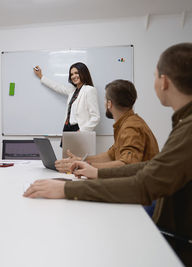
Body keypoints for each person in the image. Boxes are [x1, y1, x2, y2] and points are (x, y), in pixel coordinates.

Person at [24, 43, 192, 265]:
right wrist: (85, 164)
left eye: (154, 76)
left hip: (170, 229)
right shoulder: (157, 124)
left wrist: (68, 188)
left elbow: (139, 178)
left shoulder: (155, 127)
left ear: (164, 81)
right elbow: (131, 161)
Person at [56, 80, 159, 172]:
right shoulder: (126, 123)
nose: (105, 104)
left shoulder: (131, 127)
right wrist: (81, 160)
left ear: (109, 104)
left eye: (105, 100)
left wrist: (86, 166)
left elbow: (128, 165)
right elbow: (110, 155)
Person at [33, 63, 100, 134]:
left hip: (79, 129)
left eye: (76, 73)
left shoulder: (89, 90)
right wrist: (41, 76)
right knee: (65, 146)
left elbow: (96, 117)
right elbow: (57, 87)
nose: (74, 76)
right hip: (67, 127)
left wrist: (82, 131)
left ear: (83, 73)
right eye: (72, 74)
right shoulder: (72, 91)